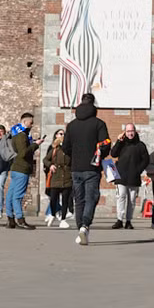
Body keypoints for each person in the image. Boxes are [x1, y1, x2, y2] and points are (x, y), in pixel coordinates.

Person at [62, 94, 110, 244]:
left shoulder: (71, 125)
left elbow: (65, 147)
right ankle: (85, 225)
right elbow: (106, 144)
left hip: (76, 167)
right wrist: (101, 155)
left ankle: (80, 229)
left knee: (79, 199)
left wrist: (74, 155)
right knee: (91, 197)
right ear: (93, 104)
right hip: (92, 167)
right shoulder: (99, 124)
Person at [111, 123, 150, 230]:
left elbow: (146, 160)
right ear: (125, 132)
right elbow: (113, 153)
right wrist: (118, 141)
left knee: (132, 200)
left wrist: (138, 170)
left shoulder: (140, 145)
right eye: (128, 131)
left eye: (132, 131)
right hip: (121, 176)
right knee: (121, 197)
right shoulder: (122, 143)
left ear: (135, 131)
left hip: (134, 177)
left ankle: (128, 221)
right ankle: (119, 219)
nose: (130, 133)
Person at [5, 113, 37, 229]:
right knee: (17, 195)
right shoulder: (22, 136)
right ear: (24, 122)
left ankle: (10, 219)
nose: (32, 125)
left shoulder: (15, 134)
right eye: (30, 123)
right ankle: (20, 219)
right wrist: (35, 145)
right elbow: (23, 153)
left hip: (15, 168)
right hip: (22, 169)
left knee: (10, 194)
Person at [43, 128, 72, 228]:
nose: (62, 136)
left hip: (67, 175)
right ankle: (52, 214)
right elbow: (45, 159)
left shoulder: (69, 149)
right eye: (60, 134)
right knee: (53, 198)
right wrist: (50, 165)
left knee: (65, 199)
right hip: (56, 176)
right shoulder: (54, 149)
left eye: (64, 134)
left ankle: (63, 219)